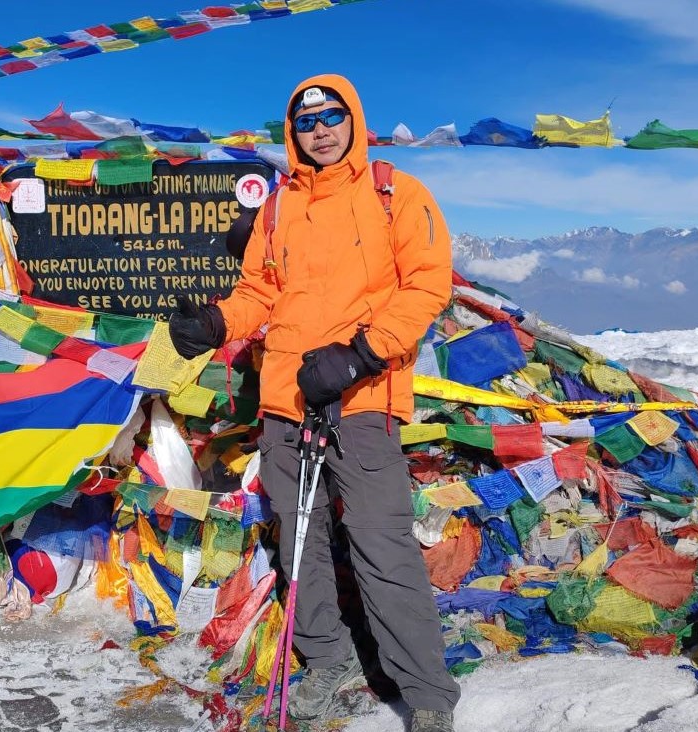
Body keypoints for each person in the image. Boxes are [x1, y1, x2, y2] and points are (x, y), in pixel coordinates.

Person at [169, 74, 458, 732]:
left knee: (382, 545)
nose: (321, 129)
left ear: (354, 119)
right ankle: (327, 659)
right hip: (286, 398)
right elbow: (261, 294)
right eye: (307, 121)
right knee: (302, 544)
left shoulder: (395, 194)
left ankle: (428, 694)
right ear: (292, 132)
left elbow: (427, 285)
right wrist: (218, 323)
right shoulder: (277, 208)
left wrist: (361, 353)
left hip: (363, 395)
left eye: (332, 116)